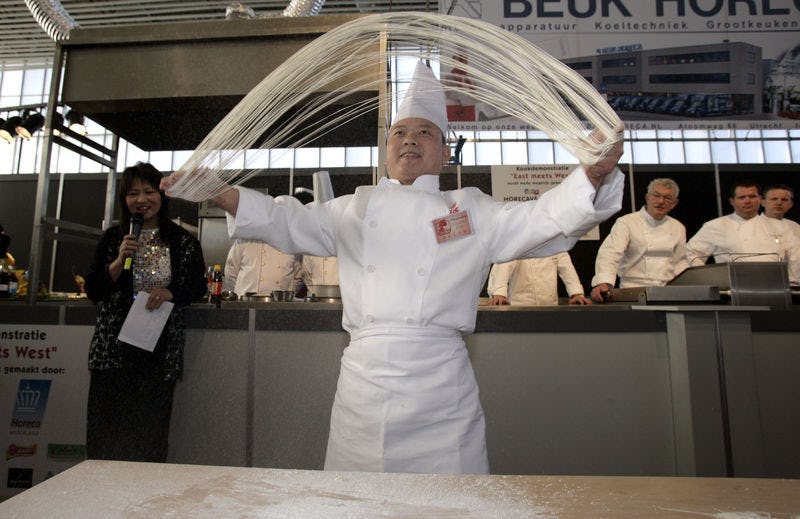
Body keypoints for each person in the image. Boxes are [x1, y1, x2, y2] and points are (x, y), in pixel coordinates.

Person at [163, 61, 625, 474]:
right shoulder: (352, 210)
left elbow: (541, 219)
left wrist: (591, 173)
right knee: (358, 498)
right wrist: (219, 191)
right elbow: (286, 220)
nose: (409, 139)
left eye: (424, 132)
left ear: (445, 152)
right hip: (364, 382)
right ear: (386, 151)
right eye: (399, 133)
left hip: (441, 384)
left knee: (448, 500)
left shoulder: (471, 210)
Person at [84, 162, 206, 462]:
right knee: (107, 433)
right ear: (124, 200)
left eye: (149, 191)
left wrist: (171, 293)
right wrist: (117, 262)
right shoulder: (114, 239)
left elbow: (197, 286)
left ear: (162, 196)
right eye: (133, 193)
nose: (142, 199)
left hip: (159, 350)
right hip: (112, 351)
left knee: (150, 433)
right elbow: (93, 290)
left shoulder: (183, 240)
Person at [590, 178, 688, 302]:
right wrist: (604, 282)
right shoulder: (627, 222)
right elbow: (610, 253)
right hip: (632, 290)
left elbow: (680, 262)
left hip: (666, 292)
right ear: (648, 198)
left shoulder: (678, 228)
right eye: (656, 195)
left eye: (667, 198)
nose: (661, 201)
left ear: (674, 203)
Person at [686, 180, 800, 284]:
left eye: (752, 196)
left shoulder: (779, 226)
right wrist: (710, 279)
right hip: (733, 288)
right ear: (732, 201)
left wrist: (794, 284)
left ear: (760, 199)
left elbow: (794, 258)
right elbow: (691, 253)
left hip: (776, 287)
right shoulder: (715, 226)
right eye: (742, 197)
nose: (747, 201)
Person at [487, 253, 591, 306]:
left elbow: (567, 268)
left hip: (550, 308)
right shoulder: (518, 240)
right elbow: (504, 265)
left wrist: (576, 294)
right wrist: (499, 294)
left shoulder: (553, 241)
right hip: (519, 307)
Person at [223, 239, 303, 297]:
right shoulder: (243, 240)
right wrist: (241, 293)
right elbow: (231, 272)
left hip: (279, 304)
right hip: (247, 302)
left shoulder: (290, 243)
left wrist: (287, 295)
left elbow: (298, 275)